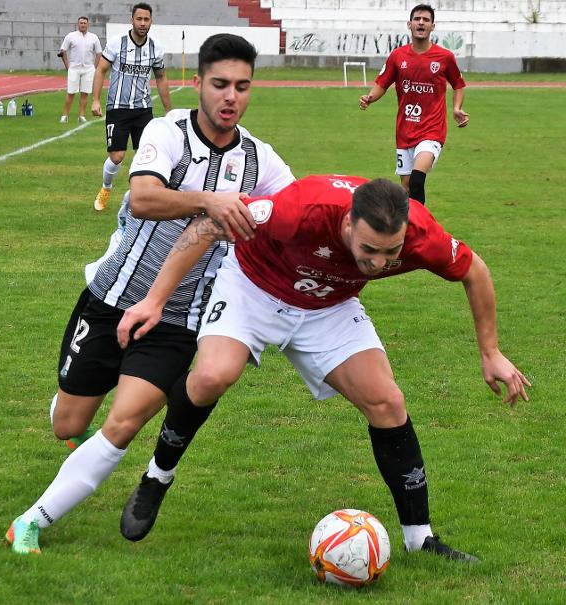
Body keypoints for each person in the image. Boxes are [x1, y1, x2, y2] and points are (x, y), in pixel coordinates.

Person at [114, 174, 530, 561]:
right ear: (348, 223)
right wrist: (154, 300)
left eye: (392, 252)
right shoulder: (301, 209)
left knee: (386, 401)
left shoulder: (421, 234)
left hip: (328, 304)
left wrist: (490, 352)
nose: (380, 263)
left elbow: (474, 270)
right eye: (368, 250)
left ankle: (419, 537)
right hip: (253, 287)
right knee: (211, 376)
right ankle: (158, 476)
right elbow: (206, 227)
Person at [5, 33, 295, 555]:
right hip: (112, 294)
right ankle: (71, 404)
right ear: (199, 83)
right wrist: (211, 201)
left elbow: (296, 209)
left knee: (125, 421)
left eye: (243, 87)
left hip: (180, 321)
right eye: (221, 84)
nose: (231, 97)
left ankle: (31, 521)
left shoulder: (260, 160)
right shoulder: (168, 131)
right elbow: (141, 197)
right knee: (68, 424)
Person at [359, 4, 469, 205]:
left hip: (431, 131)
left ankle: (423, 230)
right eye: (417, 19)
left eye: (426, 20)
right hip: (405, 132)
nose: (421, 22)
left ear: (432, 27)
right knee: (407, 190)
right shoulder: (398, 56)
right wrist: (370, 98)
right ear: (409, 24)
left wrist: (456, 108)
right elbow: (382, 83)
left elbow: (458, 84)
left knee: (418, 180)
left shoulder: (444, 57)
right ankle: (408, 230)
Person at [91, 2, 171, 212]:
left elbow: (161, 78)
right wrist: (96, 100)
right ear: (132, 20)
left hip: (143, 109)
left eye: (146, 19)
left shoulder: (156, 48)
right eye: (139, 19)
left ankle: (139, 198)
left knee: (146, 156)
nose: (143, 23)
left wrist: (169, 110)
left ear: (151, 22)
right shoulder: (118, 43)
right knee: (117, 156)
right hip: (117, 109)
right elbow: (101, 70)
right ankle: (106, 188)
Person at [59, 17, 102, 124]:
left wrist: (94, 67)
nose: (83, 25)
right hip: (74, 68)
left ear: (88, 25)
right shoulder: (71, 36)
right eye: (81, 23)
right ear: (78, 24)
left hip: (88, 69)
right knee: (71, 92)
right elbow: (63, 51)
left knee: (85, 93)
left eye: (84, 23)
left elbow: (99, 53)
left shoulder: (93, 37)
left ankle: (81, 116)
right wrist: (67, 66)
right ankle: (65, 115)